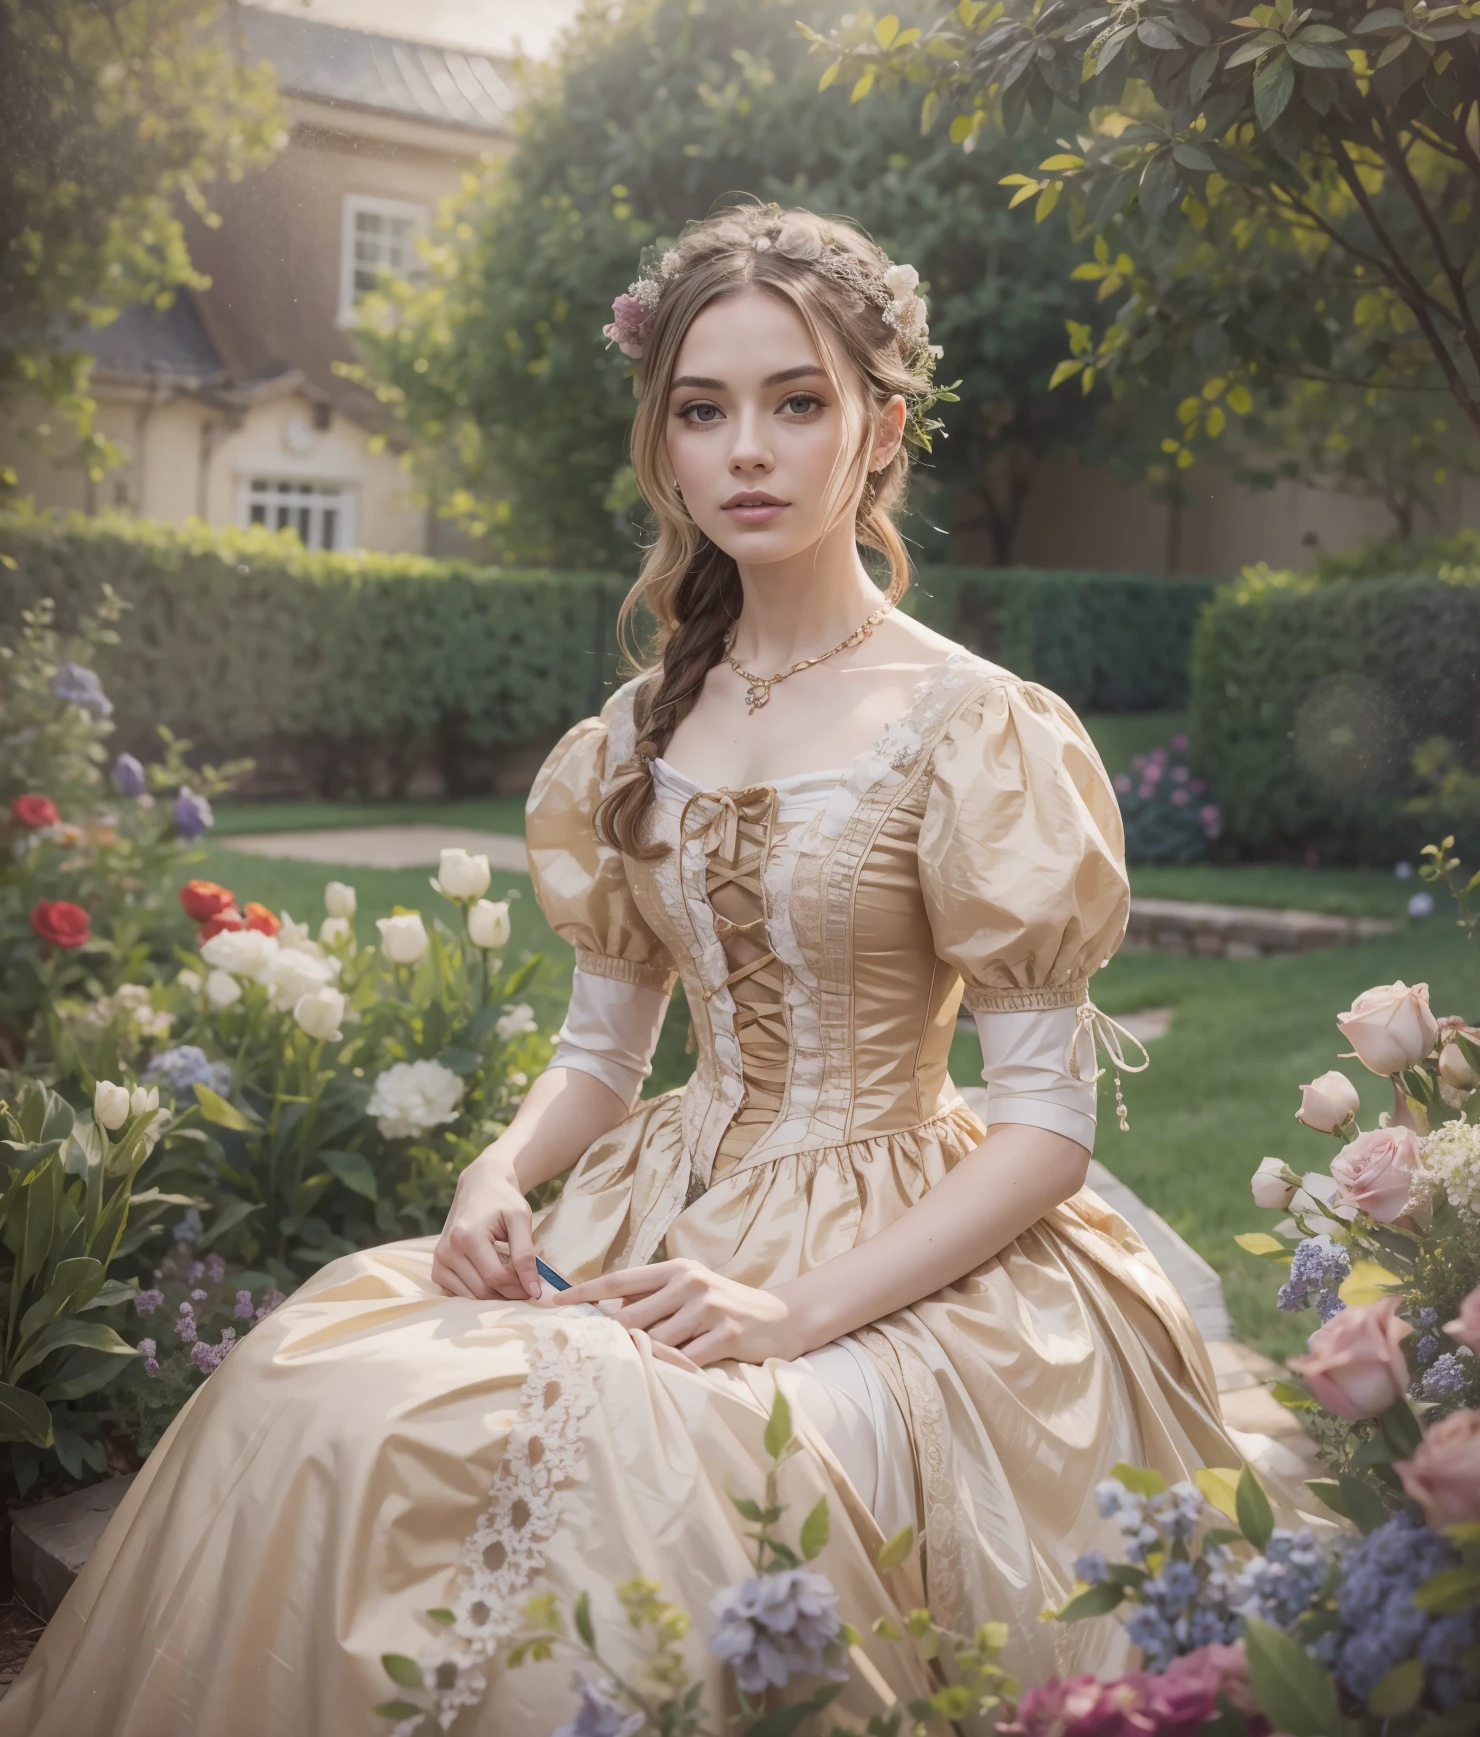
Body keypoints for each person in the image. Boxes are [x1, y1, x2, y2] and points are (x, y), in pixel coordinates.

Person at [1, 204, 1234, 1736]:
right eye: (704, 410)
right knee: (311, 1381)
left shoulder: (979, 725)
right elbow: (603, 1055)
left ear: (881, 427)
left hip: (896, 1236)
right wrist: (495, 1174)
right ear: (664, 445)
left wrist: (796, 1314)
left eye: (798, 401)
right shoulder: (638, 728)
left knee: (664, 1470)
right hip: (663, 1205)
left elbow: (1050, 1130)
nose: (749, 451)